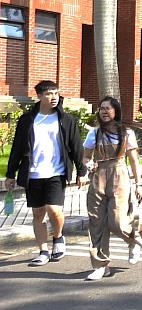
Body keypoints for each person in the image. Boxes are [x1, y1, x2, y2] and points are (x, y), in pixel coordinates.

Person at [5, 80, 86, 266]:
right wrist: (11, 174)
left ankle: (58, 237)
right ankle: (42, 250)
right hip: (33, 173)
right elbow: (17, 147)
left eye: (56, 93)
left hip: (56, 172)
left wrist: (81, 172)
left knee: (53, 209)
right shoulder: (27, 120)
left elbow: (76, 147)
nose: (54, 97)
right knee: (38, 213)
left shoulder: (66, 119)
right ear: (39, 96)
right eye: (49, 94)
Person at [82, 96, 142, 281]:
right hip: (97, 177)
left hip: (119, 175)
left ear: (115, 111)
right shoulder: (93, 133)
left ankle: (134, 240)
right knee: (96, 222)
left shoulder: (127, 133)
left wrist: (138, 184)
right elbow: (85, 157)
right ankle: (101, 265)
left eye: (107, 108)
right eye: (101, 108)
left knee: (117, 221)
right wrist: (89, 164)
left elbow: (134, 161)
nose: (104, 111)